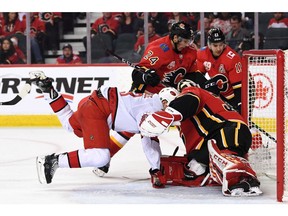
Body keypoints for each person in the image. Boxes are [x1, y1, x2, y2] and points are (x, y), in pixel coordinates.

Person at [29, 71, 174, 185]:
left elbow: (132, 133)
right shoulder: (152, 111)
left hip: (95, 103)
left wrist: (156, 167)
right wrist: (156, 169)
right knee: (100, 156)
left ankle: (48, 90)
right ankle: (52, 161)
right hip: (98, 109)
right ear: (166, 102)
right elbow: (149, 143)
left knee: (70, 125)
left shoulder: (150, 102)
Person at [93, 21, 198, 176]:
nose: (188, 43)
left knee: (187, 122)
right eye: (185, 40)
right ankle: (104, 160)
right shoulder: (159, 49)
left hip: (169, 95)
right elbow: (137, 74)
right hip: (147, 94)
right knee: (131, 129)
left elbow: (192, 74)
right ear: (175, 38)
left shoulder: (190, 52)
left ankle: (195, 160)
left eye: (190, 40)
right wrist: (146, 76)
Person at [138, 82, 263, 197]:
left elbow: (189, 101)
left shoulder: (190, 92)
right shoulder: (185, 124)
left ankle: (244, 179)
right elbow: (196, 149)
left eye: (164, 103)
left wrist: (169, 114)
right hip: (220, 136)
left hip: (230, 129)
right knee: (195, 167)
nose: (163, 107)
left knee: (226, 156)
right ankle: (222, 171)